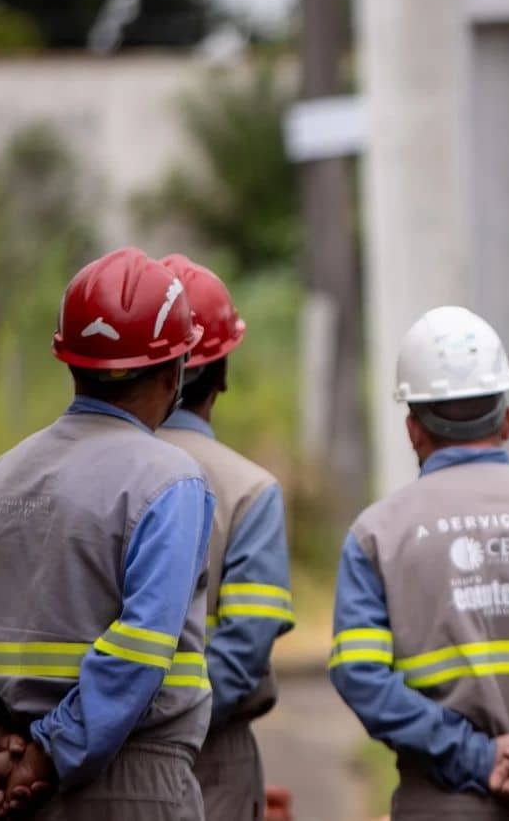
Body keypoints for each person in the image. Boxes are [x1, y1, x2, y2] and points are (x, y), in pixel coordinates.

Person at [0, 247, 215, 819]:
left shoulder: (2, 473)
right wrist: (50, 753)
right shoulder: (172, 481)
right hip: (132, 783)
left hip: (12, 786)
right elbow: (142, 644)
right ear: (175, 369)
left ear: (71, 362)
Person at [329, 305, 509, 820]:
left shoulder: (377, 536)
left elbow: (360, 675)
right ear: (508, 420)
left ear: (412, 429)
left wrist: (476, 757)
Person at [156, 255, 294, 821]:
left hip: (84, 764)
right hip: (212, 763)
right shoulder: (249, 490)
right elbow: (242, 654)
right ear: (223, 374)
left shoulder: (70, 476)